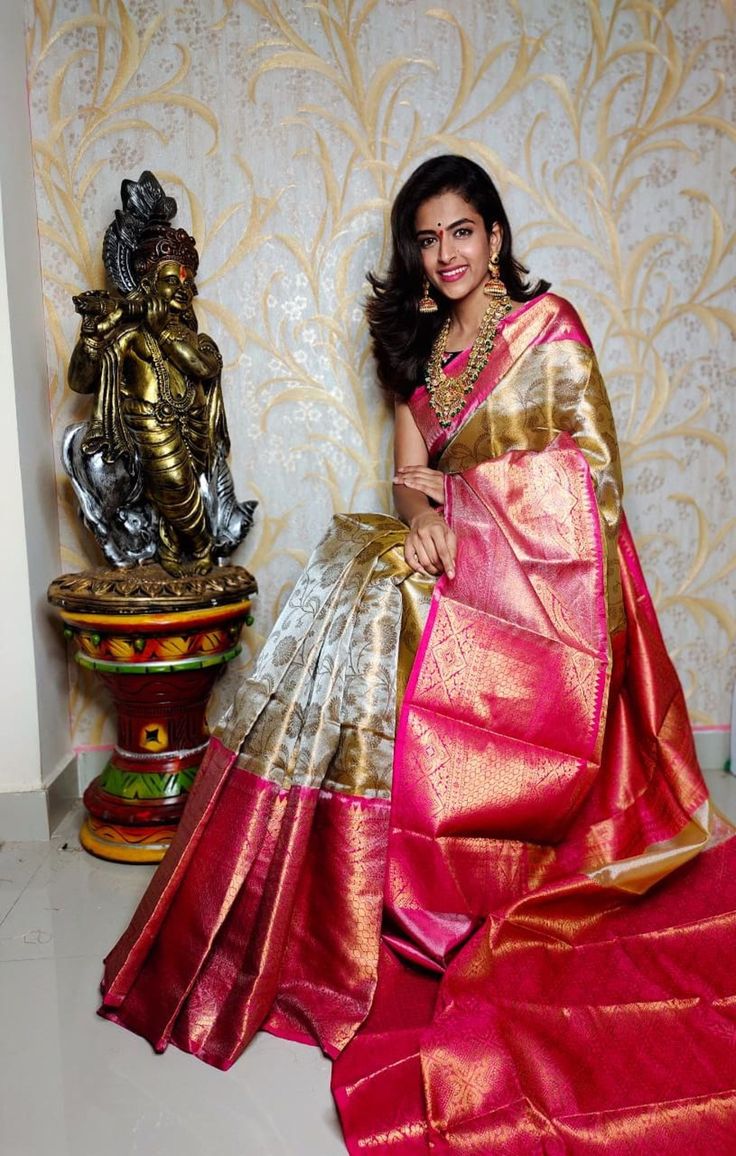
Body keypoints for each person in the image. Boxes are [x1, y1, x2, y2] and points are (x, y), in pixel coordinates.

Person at [99, 156, 736, 1153]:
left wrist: (472, 512)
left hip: (545, 574)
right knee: (359, 566)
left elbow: (590, 472)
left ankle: (443, 861)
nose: (445, 255)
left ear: (494, 236)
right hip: (462, 554)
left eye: (463, 233)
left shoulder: (546, 328)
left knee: (379, 575)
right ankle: (335, 891)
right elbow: (406, 472)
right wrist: (425, 514)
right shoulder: (417, 347)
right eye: (427, 239)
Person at [65, 171, 255, 575]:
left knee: (183, 491)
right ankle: (183, 547)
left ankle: (192, 547)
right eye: (171, 280)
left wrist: (164, 331)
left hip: (189, 435)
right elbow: (81, 382)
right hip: (141, 440)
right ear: (147, 285)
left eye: (188, 281)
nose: (182, 288)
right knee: (166, 486)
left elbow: (205, 365)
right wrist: (92, 340)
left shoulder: (190, 340)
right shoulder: (127, 338)